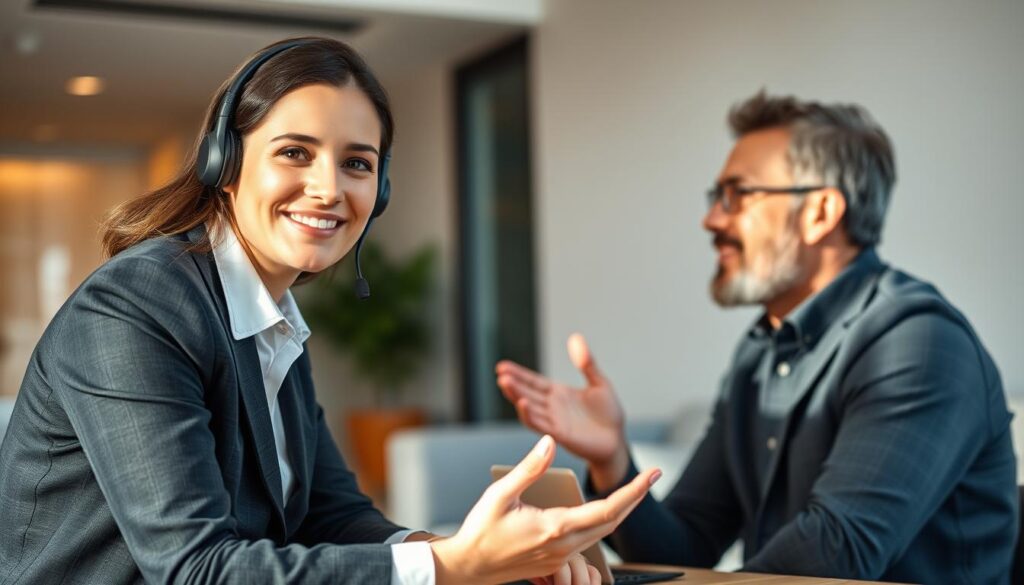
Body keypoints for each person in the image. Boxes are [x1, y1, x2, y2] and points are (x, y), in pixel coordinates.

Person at [0, 37, 661, 585]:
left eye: (357, 163)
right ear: (224, 165)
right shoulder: (137, 306)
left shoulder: (271, 319)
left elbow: (333, 513)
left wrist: (488, 556)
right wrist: (449, 565)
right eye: (295, 152)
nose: (329, 188)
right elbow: (195, 569)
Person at [496, 91, 1018, 583]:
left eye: (737, 195)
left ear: (820, 213)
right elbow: (687, 544)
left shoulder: (920, 344)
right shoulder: (760, 353)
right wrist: (612, 459)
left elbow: (833, 556)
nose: (710, 219)